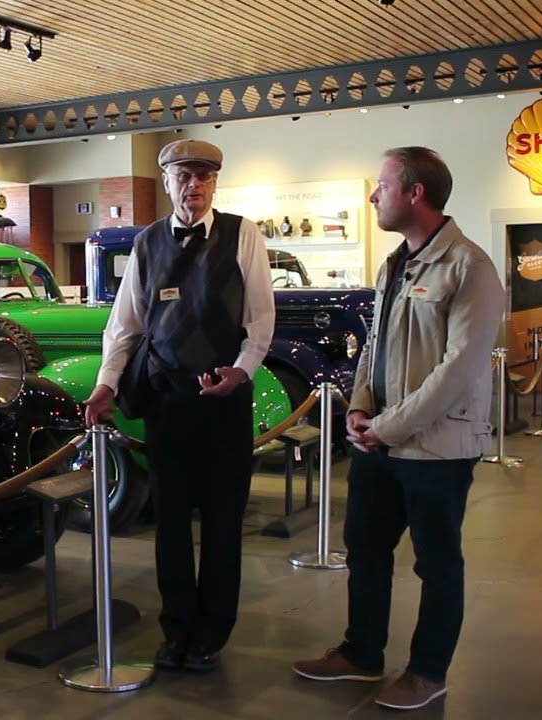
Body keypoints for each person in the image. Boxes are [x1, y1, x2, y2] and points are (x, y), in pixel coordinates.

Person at [292, 146, 505, 710]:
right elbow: (373, 348)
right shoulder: (395, 264)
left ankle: (428, 672)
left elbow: (458, 371)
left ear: (415, 193)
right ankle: (361, 654)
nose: (372, 196)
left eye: (381, 186)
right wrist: (360, 408)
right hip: (379, 442)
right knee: (364, 548)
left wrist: (386, 427)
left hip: (436, 450)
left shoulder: (470, 267)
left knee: (436, 564)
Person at [84, 139, 276, 673]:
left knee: (221, 520)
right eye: (183, 175)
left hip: (224, 402)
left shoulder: (244, 234)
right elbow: (124, 326)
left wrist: (241, 371)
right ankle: (176, 629)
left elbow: (260, 320)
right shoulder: (146, 244)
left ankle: (212, 632)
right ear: (166, 181)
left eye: (204, 175)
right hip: (166, 402)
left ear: (216, 182)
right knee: (169, 523)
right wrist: (106, 384)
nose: (193, 185)